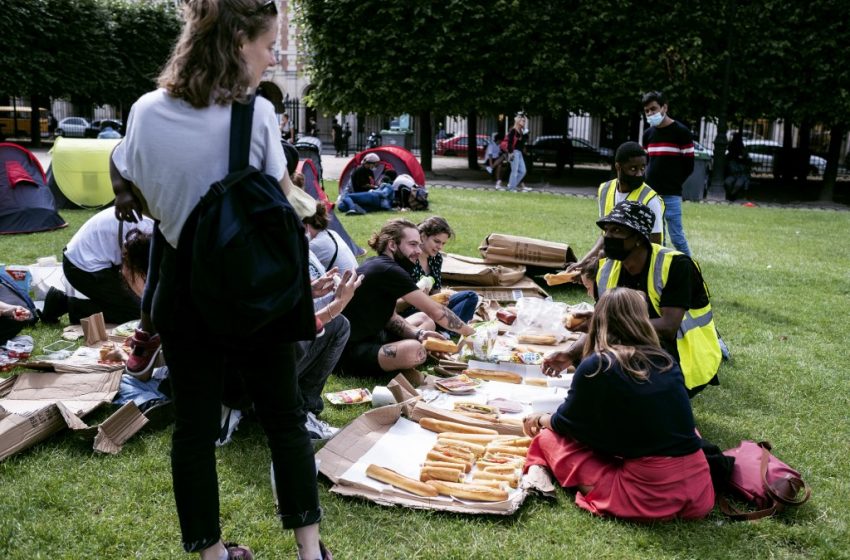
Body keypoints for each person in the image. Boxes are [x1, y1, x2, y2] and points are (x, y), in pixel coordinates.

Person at [109, 2, 330, 558]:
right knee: (284, 419)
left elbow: (133, 178)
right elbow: (280, 195)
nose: (273, 56)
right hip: (252, 285)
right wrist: (311, 207)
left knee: (195, 429)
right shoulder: (251, 114)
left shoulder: (142, 111)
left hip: (183, 286)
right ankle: (309, 552)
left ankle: (211, 554)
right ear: (236, 40)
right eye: (267, 44)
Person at [525, 287, 715, 521]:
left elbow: (565, 423)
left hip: (650, 495)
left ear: (599, 320)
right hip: (698, 490)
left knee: (547, 438)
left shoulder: (599, 364)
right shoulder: (665, 359)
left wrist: (539, 418)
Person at [546, 201, 721, 397]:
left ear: (638, 237)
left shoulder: (676, 265)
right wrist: (570, 354)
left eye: (617, 231)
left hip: (685, 355)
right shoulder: (607, 269)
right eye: (607, 231)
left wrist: (605, 323)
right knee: (598, 349)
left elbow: (668, 327)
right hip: (646, 344)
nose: (608, 238)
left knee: (614, 347)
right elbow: (603, 319)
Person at [339, 219, 475, 378]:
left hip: (376, 335)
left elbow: (390, 317)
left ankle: (401, 356)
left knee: (424, 321)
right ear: (392, 245)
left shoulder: (381, 264)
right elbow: (436, 311)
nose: (418, 251)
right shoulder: (389, 270)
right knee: (415, 351)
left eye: (418, 244)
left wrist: (419, 334)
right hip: (351, 352)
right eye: (412, 244)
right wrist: (471, 334)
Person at [40, 207, 154, 325]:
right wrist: (147, 304)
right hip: (81, 268)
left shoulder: (153, 228)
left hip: (92, 261)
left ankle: (63, 301)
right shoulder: (145, 231)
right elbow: (129, 272)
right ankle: (75, 309)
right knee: (138, 313)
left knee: (139, 305)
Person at [568, 142, 665, 273]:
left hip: (639, 263)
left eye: (643, 168)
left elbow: (655, 243)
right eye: (633, 169)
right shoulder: (605, 190)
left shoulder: (650, 198)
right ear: (618, 167)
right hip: (616, 256)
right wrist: (583, 261)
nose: (639, 174)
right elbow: (606, 233)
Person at [401, 216, 479, 328]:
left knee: (470, 296)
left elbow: (436, 291)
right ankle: (445, 328)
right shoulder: (409, 258)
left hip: (431, 306)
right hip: (411, 310)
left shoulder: (436, 258)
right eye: (436, 241)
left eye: (443, 243)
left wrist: (442, 299)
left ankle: (445, 329)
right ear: (422, 237)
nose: (440, 247)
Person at [642, 91, 694, 256]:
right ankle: (658, 266)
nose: (650, 114)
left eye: (653, 109)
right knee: (657, 236)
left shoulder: (681, 133)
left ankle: (690, 266)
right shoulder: (648, 135)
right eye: (647, 111)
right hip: (651, 194)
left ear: (664, 107)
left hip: (672, 193)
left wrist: (674, 182)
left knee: (677, 236)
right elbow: (645, 163)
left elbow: (689, 165)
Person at [303, 201, 359, 272]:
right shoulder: (331, 233)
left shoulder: (315, 245)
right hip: (354, 279)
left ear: (306, 225)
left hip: (344, 281)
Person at [503, 114, 530, 192]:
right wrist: (511, 153)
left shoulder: (521, 131)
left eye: (524, 121)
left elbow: (525, 139)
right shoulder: (513, 130)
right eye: (523, 121)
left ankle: (511, 185)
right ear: (518, 121)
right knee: (514, 171)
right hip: (514, 152)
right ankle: (511, 188)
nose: (524, 122)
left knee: (523, 171)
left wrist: (525, 130)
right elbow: (510, 143)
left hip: (519, 153)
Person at [724, 132, 751, 201]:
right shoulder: (732, 149)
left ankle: (732, 196)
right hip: (733, 173)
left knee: (738, 184)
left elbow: (747, 161)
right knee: (728, 182)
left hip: (741, 174)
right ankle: (731, 195)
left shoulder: (741, 150)